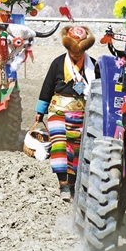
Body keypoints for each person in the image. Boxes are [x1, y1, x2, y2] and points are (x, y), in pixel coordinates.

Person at [35, 25, 99, 202]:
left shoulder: (93, 66)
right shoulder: (58, 63)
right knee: (60, 145)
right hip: (58, 110)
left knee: (76, 150)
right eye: (73, 51)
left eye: (80, 51)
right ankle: (63, 183)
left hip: (82, 113)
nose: (76, 55)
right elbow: (47, 87)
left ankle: (72, 183)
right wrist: (40, 111)